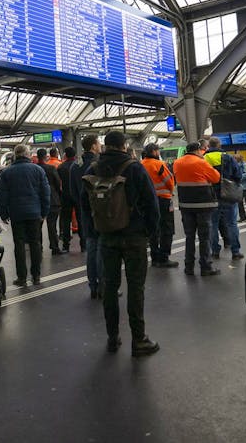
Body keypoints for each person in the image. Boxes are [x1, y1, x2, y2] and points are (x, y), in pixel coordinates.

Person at [80, 130, 160, 356]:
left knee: (109, 287)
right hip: (134, 236)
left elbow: (85, 204)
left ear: (105, 146)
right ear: (124, 146)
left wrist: (94, 230)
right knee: (136, 287)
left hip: (106, 237)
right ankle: (139, 339)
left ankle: (113, 337)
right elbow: (151, 203)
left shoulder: (92, 169)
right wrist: (150, 232)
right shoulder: (134, 168)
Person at [0, 144, 49, 287]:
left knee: (19, 245)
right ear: (27, 154)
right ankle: (36, 276)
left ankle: (21, 278)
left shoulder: (7, 173)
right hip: (34, 213)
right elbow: (45, 193)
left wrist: (3, 213)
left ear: (15, 155)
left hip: (16, 213)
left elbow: (2, 195)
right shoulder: (38, 170)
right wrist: (44, 211)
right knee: (35, 243)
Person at [172, 141, 221, 277]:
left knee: (189, 237)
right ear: (198, 150)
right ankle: (205, 267)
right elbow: (216, 178)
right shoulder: (201, 162)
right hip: (203, 205)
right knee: (204, 237)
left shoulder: (177, 162)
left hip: (185, 205)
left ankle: (189, 267)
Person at [71, 134, 103, 298]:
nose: (100, 145)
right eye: (98, 143)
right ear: (93, 146)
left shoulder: (75, 165)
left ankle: (93, 286)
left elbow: (73, 191)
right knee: (102, 249)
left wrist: (81, 206)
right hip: (100, 211)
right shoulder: (98, 164)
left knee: (91, 247)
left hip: (84, 212)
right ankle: (104, 285)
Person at [203, 137, 243, 260]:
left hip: (211, 196)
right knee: (231, 223)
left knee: (213, 225)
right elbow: (238, 175)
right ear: (219, 145)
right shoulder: (228, 157)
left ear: (208, 146)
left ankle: (215, 251)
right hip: (228, 196)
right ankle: (235, 251)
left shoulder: (204, 159)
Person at [142, 143, 177, 268]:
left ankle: (154, 256)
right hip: (163, 200)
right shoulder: (159, 164)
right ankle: (164, 257)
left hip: (147, 201)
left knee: (153, 228)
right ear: (155, 152)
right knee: (166, 228)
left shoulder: (140, 165)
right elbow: (169, 181)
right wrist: (170, 191)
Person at [36, 148, 63, 256]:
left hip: (38, 200)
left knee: (38, 225)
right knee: (52, 225)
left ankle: (39, 246)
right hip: (52, 199)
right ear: (46, 156)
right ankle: (54, 247)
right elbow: (58, 184)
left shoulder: (35, 168)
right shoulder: (51, 168)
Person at [56, 147, 77, 252]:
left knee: (66, 220)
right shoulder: (78, 166)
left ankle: (66, 244)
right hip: (77, 195)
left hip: (65, 196)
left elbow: (58, 183)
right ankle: (84, 243)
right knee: (80, 218)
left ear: (65, 155)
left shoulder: (61, 167)